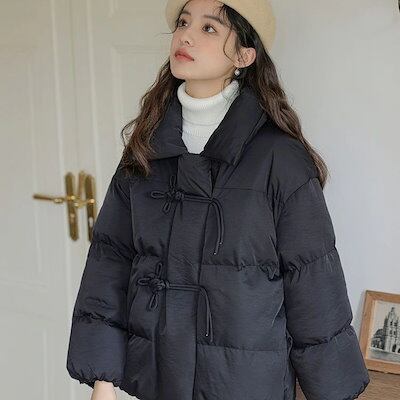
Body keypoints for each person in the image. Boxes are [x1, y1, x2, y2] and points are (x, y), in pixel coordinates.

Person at [66, 1, 371, 399]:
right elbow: (111, 262)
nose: (186, 36)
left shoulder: (279, 158)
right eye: (183, 23)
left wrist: (332, 391)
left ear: (244, 55)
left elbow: (313, 283)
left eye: (209, 28)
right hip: (157, 378)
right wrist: (102, 380)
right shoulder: (146, 149)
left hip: (244, 384)